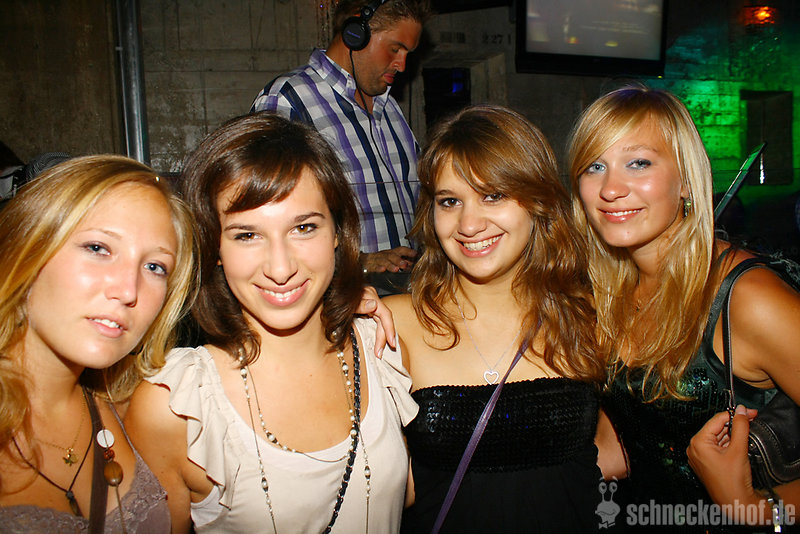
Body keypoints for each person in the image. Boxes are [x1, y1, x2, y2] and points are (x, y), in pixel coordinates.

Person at [125, 113, 418, 533]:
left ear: (337, 232)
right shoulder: (177, 407)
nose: (280, 268)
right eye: (247, 235)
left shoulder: (380, 347)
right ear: (214, 247)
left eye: (304, 228)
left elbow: (403, 495)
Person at [567, 85, 800, 531]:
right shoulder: (612, 295)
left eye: (639, 163)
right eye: (594, 166)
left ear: (687, 180)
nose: (610, 189)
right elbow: (626, 444)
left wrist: (754, 506)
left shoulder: (747, 299)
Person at [384, 104, 613, 533]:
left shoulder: (586, 313)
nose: (469, 224)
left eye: (493, 196)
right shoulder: (394, 325)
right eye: (450, 201)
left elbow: (615, 446)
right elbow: (385, 486)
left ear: (538, 201)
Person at [0, 155, 196, 533]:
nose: (128, 290)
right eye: (97, 248)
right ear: (28, 247)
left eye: (155, 267)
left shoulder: (132, 406)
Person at [250, 0, 432, 280]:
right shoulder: (287, 99)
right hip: (342, 291)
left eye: (408, 53)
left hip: (408, 290)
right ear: (356, 32)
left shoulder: (390, 108)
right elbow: (265, 217)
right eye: (395, 49)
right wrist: (357, 262)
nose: (402, 65)